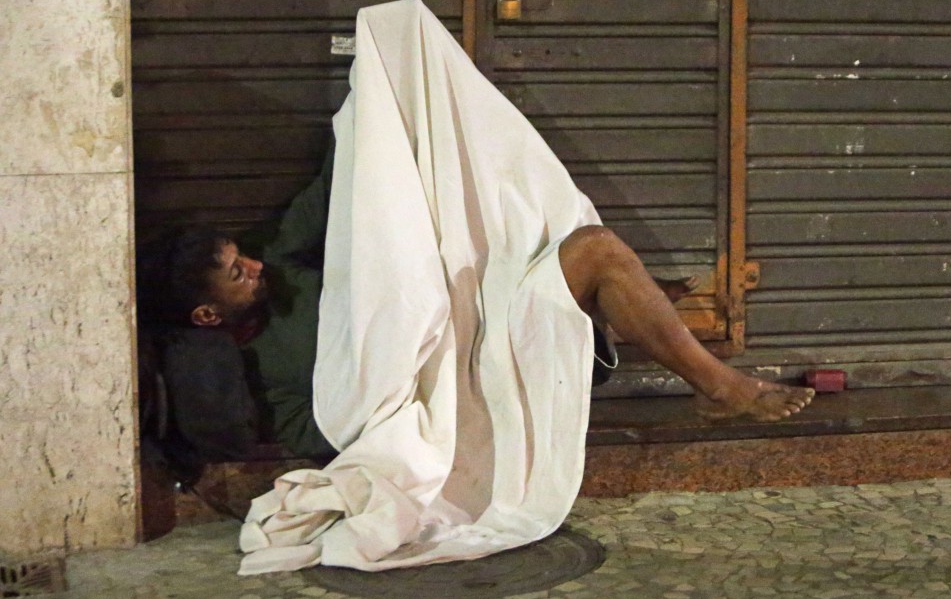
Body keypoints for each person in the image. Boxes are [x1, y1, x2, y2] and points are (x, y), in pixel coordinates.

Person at [140, 146, 815, 460]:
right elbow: (317, 433)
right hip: (457, 381)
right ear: (207, 315)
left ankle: (698, 376)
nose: (252, 265)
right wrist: (413, 396)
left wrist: (377, 91)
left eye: (242, 255)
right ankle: (721, 385)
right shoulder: (264, 367)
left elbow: (338, 180)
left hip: (475, 319)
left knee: (593, 246)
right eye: (235, 273)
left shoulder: (280, 262)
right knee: (601, 255)